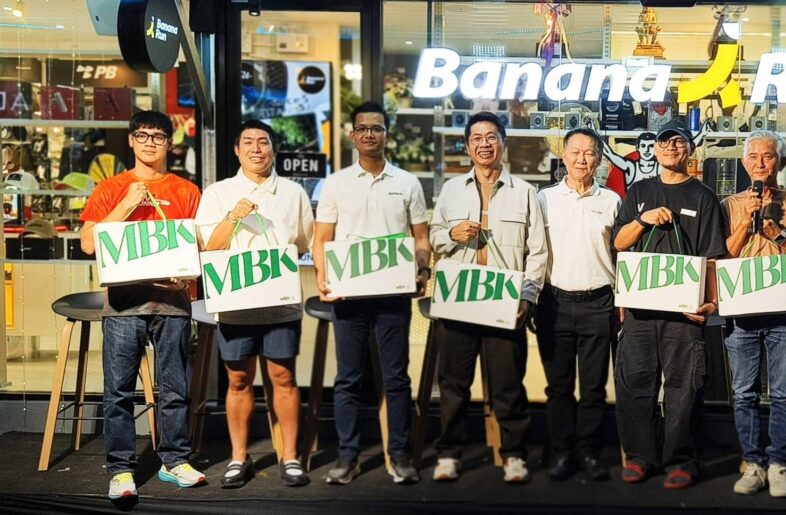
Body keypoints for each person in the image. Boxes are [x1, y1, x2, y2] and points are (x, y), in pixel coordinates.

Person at [80, 110, 205, 500]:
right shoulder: (110, 188)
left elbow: (196, 245)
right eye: (144, 135)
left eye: (159, 136)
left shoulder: (187, 190)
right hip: (124, 304)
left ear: (169, 143)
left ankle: (175, 460)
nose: (151, 142)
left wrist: (187, 278)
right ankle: (120, 470)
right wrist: (127, 204)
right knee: (118, 390)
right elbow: (88, 243)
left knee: (175, 388)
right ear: (132, 140)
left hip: (172, 303)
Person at [312, 101, 431, 485]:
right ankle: (347, 457)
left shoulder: (407, 183)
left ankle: (399, 455)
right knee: (348, 378)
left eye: (376, 128)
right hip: (348, 294)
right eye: (362, 128)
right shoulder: (336, 183)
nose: (369, 134)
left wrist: (423, 269)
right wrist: (323, 278)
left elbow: (421, 237)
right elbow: (322, 238)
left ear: (386, 135)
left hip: (392, 293)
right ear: (352, 135)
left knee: (397, 378)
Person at [195, 120, 315, 489]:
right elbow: (210, 247)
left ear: (273, 150)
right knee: (238, 379)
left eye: (263, 142)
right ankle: (238, 458)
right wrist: (234, 216)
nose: (256, 148)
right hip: (235, 304)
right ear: (237, 151)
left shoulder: (293, 193)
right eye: (248, 142)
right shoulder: (218, 193)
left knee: (284, 377)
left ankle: (290, 457)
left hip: (281, 305)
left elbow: (304, 243)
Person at [430, 111, 548, 484]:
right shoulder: (451, 189)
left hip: (504, 299)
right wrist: (451, 235)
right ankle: (449, 454)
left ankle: (513, 455)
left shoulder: (525, 192)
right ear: (468, 146)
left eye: (491, 137)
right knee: (453, 384)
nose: (484, 144)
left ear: (503, 143)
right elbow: (433, 238)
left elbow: (538, 252)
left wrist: (527, 296)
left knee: (508, 384)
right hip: (459, 296)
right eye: (477, 138)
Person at [612, 118, 728, 489]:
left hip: (684, 313)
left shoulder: (704, 197)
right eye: (665, 141)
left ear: (690, 149)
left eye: (678, 142)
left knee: (684, 388)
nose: (671, 147)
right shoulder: (639, 191)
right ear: (656, 148)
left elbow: (713, 257)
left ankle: (681, 460)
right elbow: (620, 243)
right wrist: (643, 220)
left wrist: (712, 303)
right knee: (635, 383)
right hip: (641, 311)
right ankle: (640, 456)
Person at [722, 130, 786, 498]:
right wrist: (745, 220)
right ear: (744, 163)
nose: (760, 163)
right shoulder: (730, 204)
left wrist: (778, 234)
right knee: (743, 393)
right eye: (753, 157)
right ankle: (753, 463)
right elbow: (722, 255)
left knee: (782, 393)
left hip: (785, 311)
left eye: (768, 156)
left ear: (781, 162)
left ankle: (779, 464)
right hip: (742, 311)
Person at [536, 128, 620, 481]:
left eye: (589, 153)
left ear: (599, 159)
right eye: (575, 152)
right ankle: (561, 453)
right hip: (554, 302)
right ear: (564, 156)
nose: (582, 159)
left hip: (599, 302)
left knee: (593, 388)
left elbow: (621, 254)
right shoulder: (543, 199)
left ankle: (589, 453)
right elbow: (533, 252)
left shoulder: (612, 201)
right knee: (558, 387)